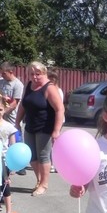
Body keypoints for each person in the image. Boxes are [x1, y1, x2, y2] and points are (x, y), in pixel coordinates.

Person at [14, 61, 65, 196]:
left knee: (43, 157)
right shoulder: (29, 85)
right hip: (30, 126)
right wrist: (17, 121)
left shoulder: (50, 88)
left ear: (44, 73)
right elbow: (23, 104)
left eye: (38, 74)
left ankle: (44, 184)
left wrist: (56, 131)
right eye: (32, 74)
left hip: (45, 127)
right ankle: (39, 180)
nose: (35, 77)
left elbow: (60, 109)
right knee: (31, 156)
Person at [0, 62, 24, 126]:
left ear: (11, 72)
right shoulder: (0, 82)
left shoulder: (18, 84)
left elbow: (15, 103)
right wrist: (1, 97)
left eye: (4, 73)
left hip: (12, 118)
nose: (2, 75)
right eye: (1, 73)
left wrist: (2, 112)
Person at [47, 67, 64, 173]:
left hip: (57, 119)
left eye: (53, 78)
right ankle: (54, 163)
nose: (51, 80)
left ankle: (55, 164)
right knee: (51, 142)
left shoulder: (58, 91)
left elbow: (58, 108)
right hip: (52, 118)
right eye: (50, 77)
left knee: (54, 142)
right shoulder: (50, 89)